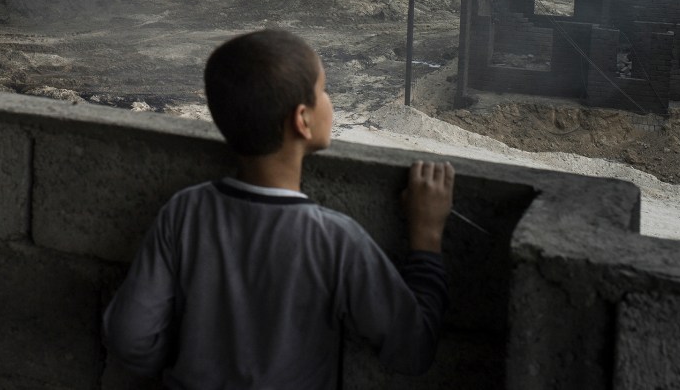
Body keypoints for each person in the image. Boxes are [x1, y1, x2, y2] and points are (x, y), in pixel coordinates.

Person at [103, 29, 454, 388]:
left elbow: (129, 336)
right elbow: (412, 350)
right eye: (323, 91)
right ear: (302, 120)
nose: (329, 101)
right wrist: (426, 235)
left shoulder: (185, 212)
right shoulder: (335, 240)